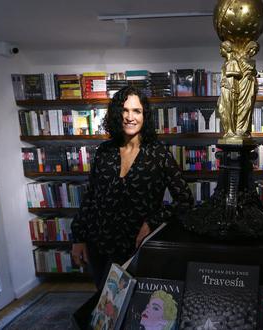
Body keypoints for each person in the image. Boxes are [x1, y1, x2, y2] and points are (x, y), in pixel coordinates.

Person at [71, 86, 193, 289]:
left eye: (136, 111)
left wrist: (152, 222)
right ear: (117, 114)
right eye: (124, 110)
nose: (130, 117)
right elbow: (91, 198)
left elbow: (185, 200)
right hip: (98, 246)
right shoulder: (104, 151)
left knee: (133, 310)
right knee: (105, 306)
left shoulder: (159, 154)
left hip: (136, 249)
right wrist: (78, 238)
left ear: (145, 116)